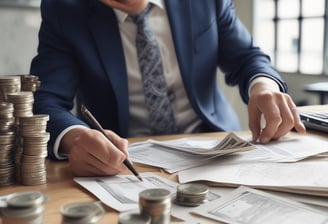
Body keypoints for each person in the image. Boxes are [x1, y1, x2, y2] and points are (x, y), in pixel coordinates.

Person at [30, 0, 306, 177]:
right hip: (123, 160)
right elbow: (45, 100)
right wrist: (75, 138)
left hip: (214, 147)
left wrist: (263, 85)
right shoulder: (64, 9)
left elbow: (248, 58)